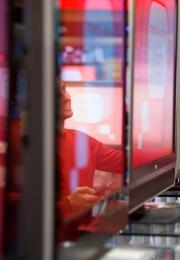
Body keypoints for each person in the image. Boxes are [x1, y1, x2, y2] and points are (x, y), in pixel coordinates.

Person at [57, 82, 124, 240]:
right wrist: (66, 205)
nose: (67, 97)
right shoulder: (23, 143)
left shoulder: (80, 140)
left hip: (80, 240)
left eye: (64, 90)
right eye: (57, 93)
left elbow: (126, 162)